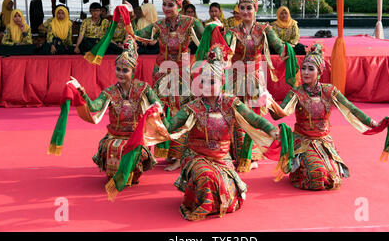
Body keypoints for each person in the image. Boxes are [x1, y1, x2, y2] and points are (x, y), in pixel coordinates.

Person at [105, 41, 280, 221]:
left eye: (211, 81)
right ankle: (200, 202)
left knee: (226, 190)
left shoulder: (231, 103)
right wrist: (157, 114)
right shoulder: (193, 107)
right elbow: (169, 127)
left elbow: (254, 119)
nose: (205, 85)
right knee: (206, 176)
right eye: (202, 81)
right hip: (196, 157)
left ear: (221, 82)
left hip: (222, 159)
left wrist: (272, 130)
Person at [267, 43, 389, 190]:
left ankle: (307, 168)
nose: (305, 72)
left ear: (319, 72)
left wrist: (373, 124)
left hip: (324, 142)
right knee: (317, 176)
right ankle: (299, 171)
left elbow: (350, 108)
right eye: (304, 68)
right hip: (303, 141)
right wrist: (267, 100)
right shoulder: (297, 92)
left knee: (333, 179)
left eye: (310, 69)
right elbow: (277, 115)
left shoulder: (329, 90)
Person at [49, 38, 163, 186]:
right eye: (118, 69)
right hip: (115, 135)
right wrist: (81, 92)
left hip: (136, 136)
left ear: (133, 71)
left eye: (125, 70)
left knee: (132, 148)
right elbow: (94, 106)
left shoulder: (143, 88)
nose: (120, 73)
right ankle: (117, 176)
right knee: (113, 146)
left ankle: (132, 174)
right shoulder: (110, 91)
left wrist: (156, 108)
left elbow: (158, 104)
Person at [133, 0, 204, 171]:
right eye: (164, 4)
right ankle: (168, 152)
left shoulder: (190, 23)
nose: (166, 8)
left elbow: (208, 37)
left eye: (170, 4)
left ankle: (180, 155)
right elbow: (137, 35)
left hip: (182, 75)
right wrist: (126, 23)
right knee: (162, 112)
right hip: (162, 75)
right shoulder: (159, 26)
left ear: (179, 6)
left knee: (180, 113)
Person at [222, 0, 288, 170]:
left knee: (253, 114)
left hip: (254, 78)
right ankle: (235, 153)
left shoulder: (264, 29)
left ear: (255, 9)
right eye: (242, 8)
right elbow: (225, 48)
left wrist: (289, 52)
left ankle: (248, 156)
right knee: (235, 114)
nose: (245, 11)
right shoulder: (232, 30)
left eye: (249, 8)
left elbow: (278, 46)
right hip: (234, 78)